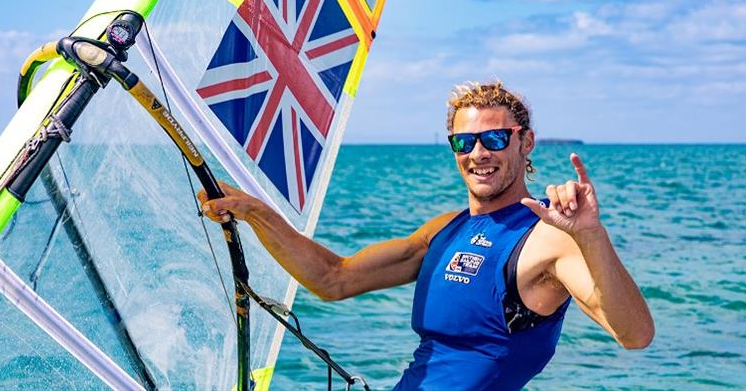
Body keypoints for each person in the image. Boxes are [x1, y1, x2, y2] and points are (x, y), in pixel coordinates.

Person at [199, 81, 654, 390]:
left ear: (526, 142)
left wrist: (592, 236)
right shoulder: (445, 229)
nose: (479, 153)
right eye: (464, 142)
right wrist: (255, 212)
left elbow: (634, 335)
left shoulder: (547, 239)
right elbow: (333, 278)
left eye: (495, 139)